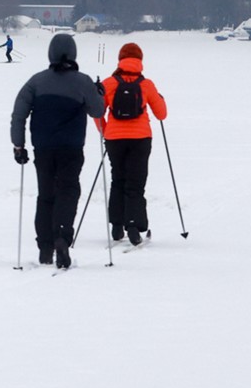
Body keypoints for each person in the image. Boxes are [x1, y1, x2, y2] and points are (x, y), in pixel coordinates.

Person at [10, 32, 107, 268]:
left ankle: (45, 247)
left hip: (43, 147)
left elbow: (19, 114)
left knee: (46, 195)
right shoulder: (83, 81)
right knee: (68, 190)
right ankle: (62, 236)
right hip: (71, 148)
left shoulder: (36, 82)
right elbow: (97, 111)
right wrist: (98, 93)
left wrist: (19, 145)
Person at [98, 41, 169, 247]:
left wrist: (105, 129)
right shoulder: (146, 85)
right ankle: (134, 226)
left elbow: (96, 111)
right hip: (140, 138)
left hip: (114, 139)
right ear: (140, 60)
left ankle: (117, 225)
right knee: (136, 183)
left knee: (118, 179)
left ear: (120, 59)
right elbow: (161, 114)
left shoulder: (109, 83)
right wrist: (160, 99)